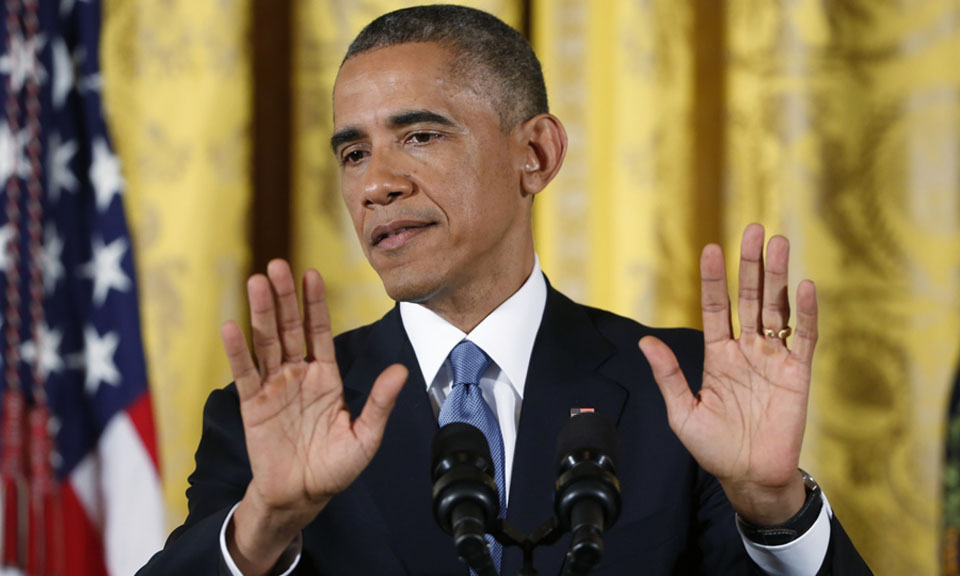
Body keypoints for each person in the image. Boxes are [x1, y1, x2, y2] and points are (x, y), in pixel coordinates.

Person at [138, 5, 870, 575]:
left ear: (536, 152)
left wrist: (777, 510)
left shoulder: (685, 391)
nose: (375, 184)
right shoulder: (270, 417)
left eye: (419, 136)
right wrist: (263, 527)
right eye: (353, 152)